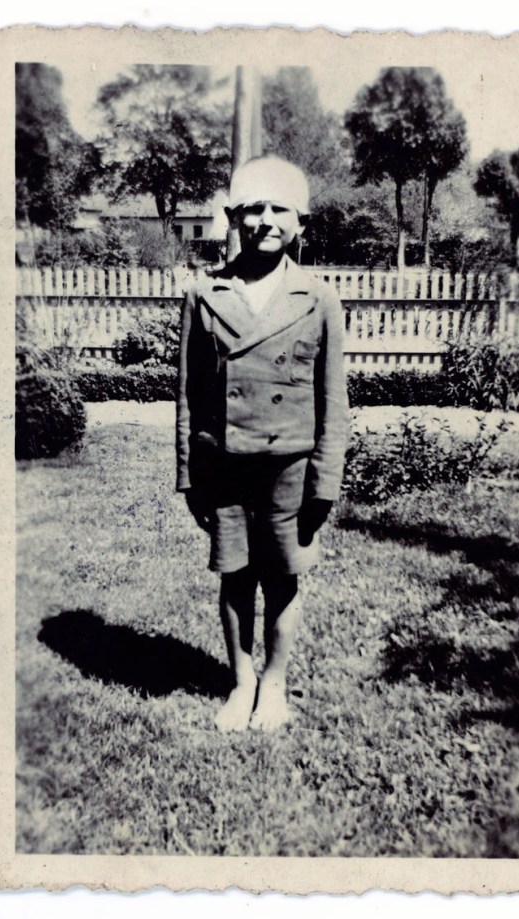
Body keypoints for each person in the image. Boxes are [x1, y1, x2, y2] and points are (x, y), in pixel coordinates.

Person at [176, 156, 348, 732]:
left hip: (289, 468)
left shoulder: (318, 298)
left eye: (280, 210)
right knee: (234, 574)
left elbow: (333, 402)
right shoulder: (206, 295)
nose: (267, 221)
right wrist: (189, 475)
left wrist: (325, 482)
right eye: (254, 209)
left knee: (282, 576)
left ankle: (273, 686)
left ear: (301, 222)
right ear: (233, 218)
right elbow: (189, 395)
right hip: (223, 464)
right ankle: (241, 681)